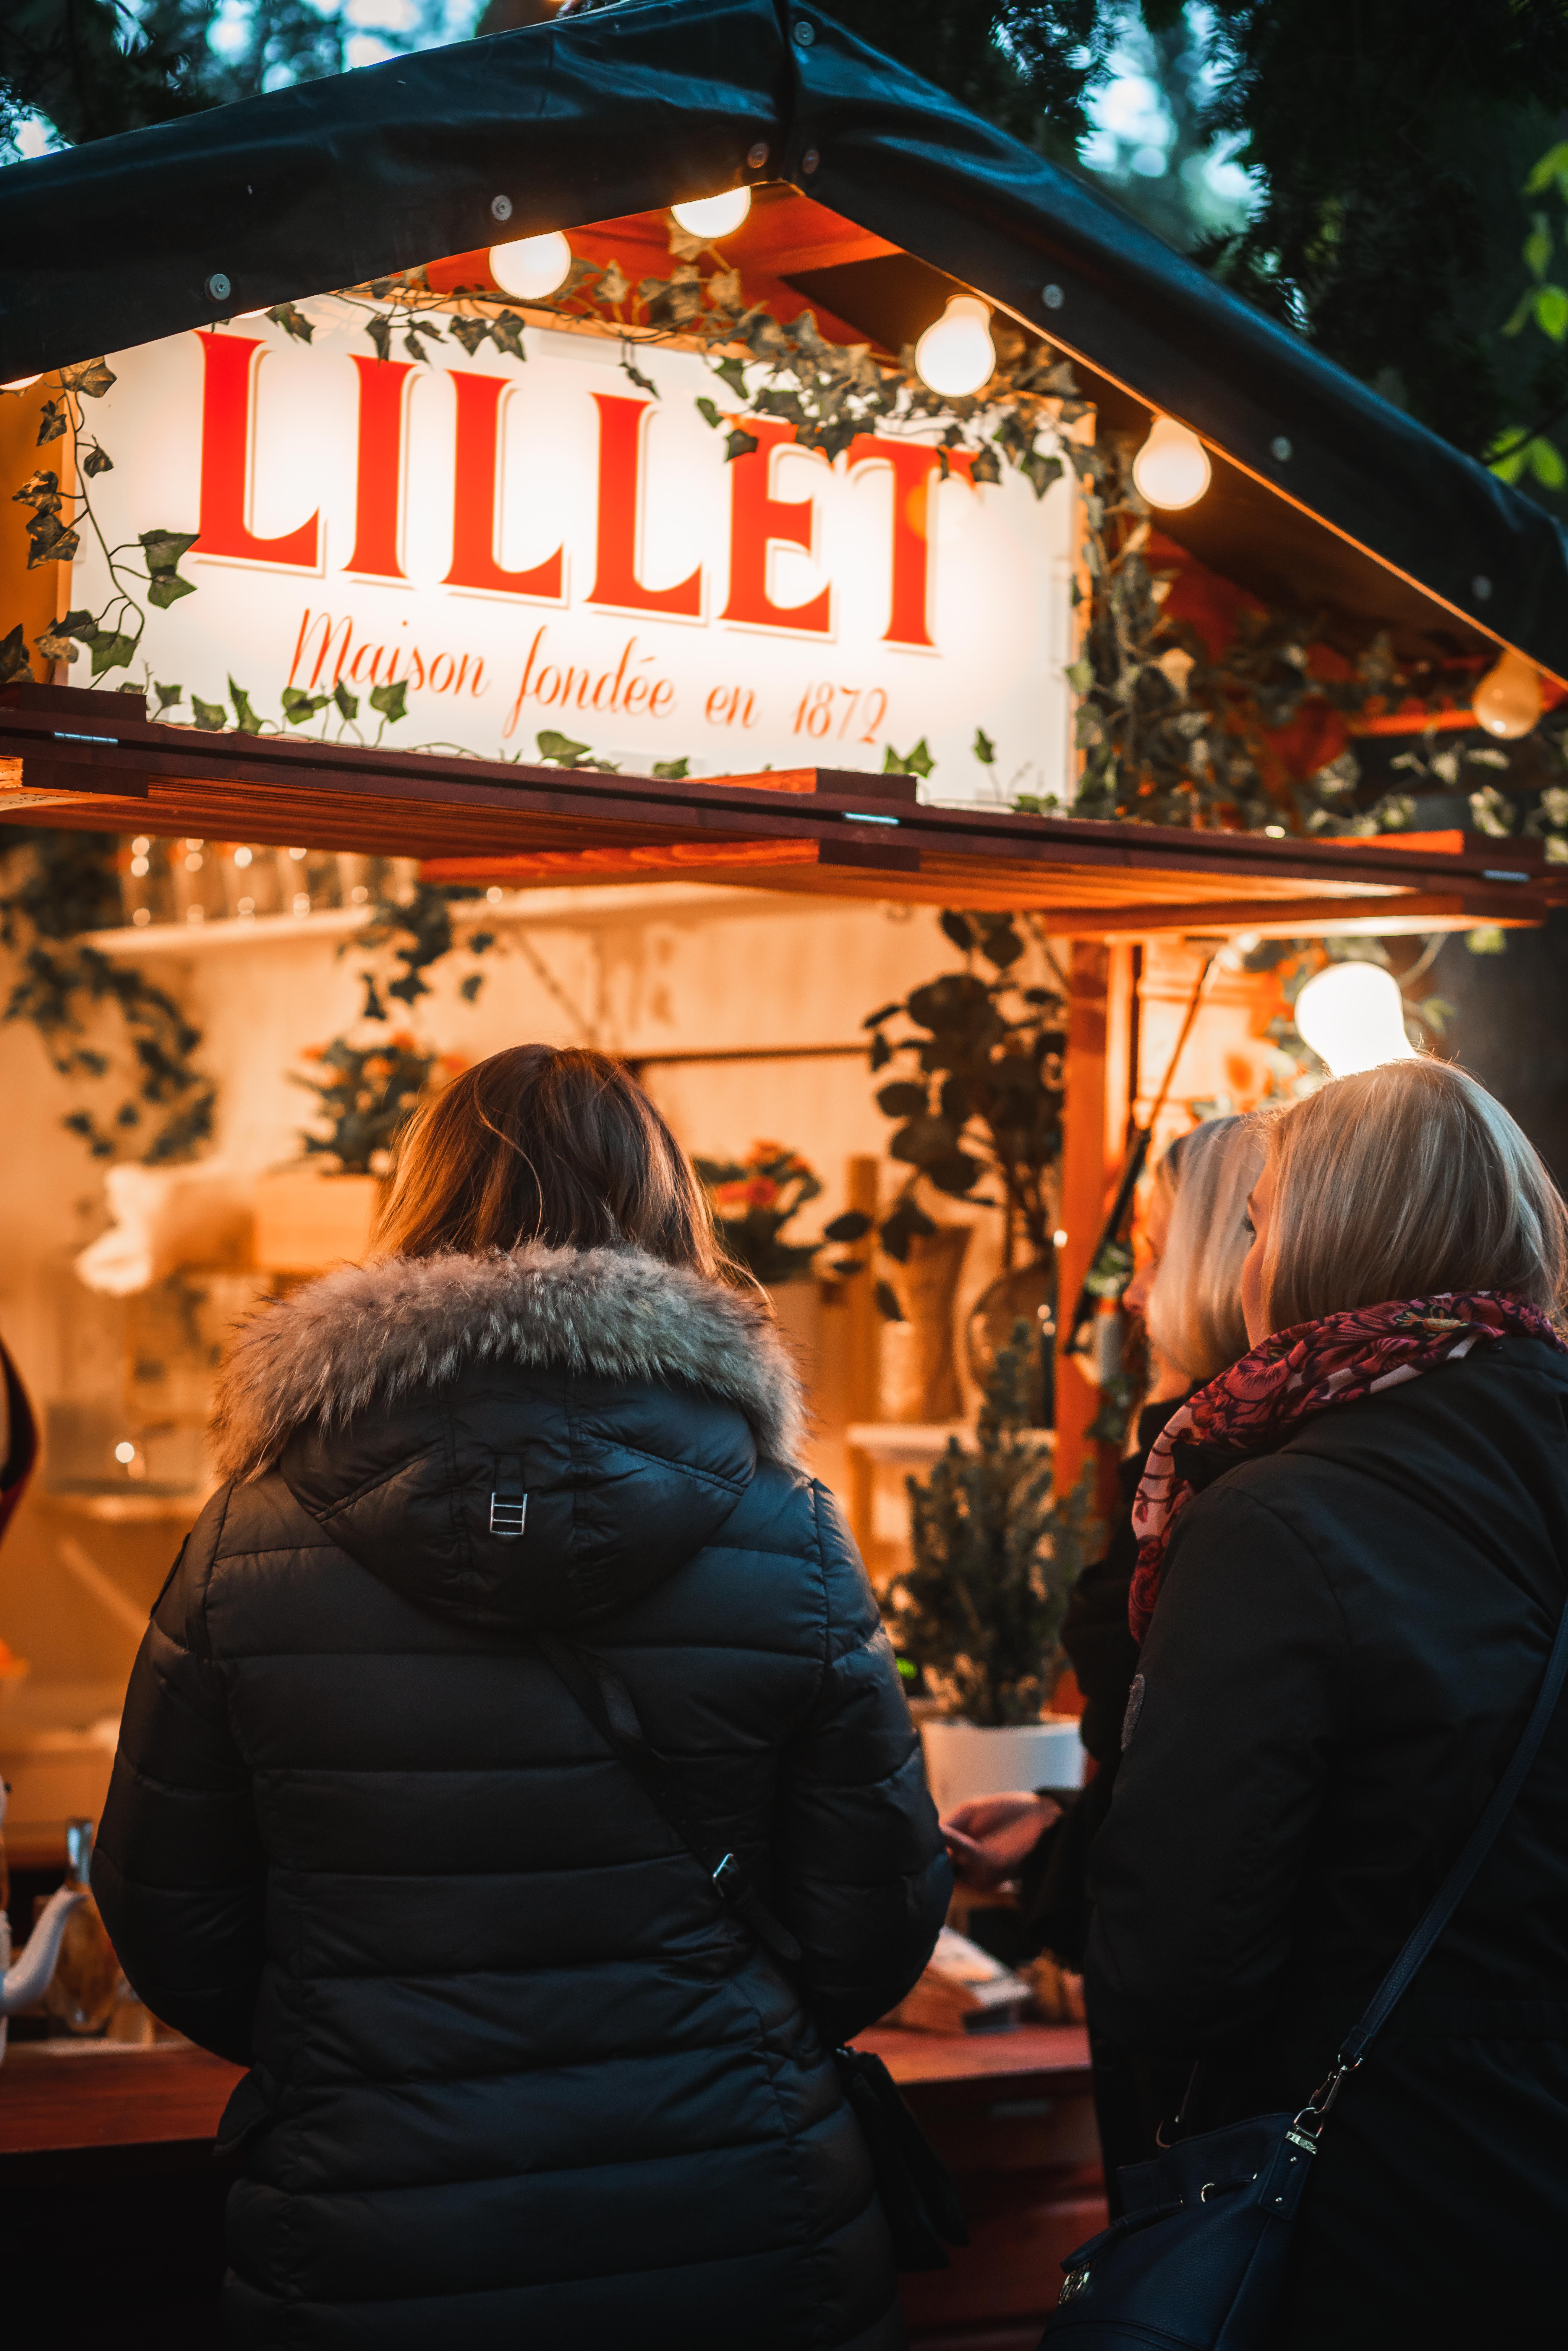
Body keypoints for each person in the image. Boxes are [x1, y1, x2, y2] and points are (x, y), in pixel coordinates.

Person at [92, 1045, 950, 2351]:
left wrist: (349, 2034)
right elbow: (876, 1913)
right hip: (735, 2205)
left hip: (379, 2218)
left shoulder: (247, 1541)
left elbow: (171, 1916)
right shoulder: (792, 1534)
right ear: (668, 1216)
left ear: (416, 1208)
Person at [1086, 1058, 1568, 2344]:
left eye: (1259, 1224)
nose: (1247, 1262)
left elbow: (1177, 1963)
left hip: (1383, 2202)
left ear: (1319, 1245)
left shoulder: (1274, 1519)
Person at [941, 1117, 1261, 2198]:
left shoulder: (1225, 1490)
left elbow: (1209, 1815)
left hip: (1218, 2075)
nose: (1128, 1295)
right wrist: (1058, 1836)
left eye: (1154, 1254)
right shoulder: (1185, 1466)